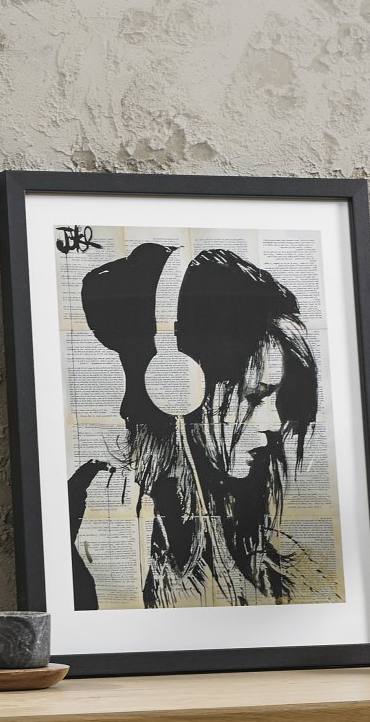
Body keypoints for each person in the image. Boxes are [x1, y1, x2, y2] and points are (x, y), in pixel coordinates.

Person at [68, 242, 332, 610]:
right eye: (256, 397)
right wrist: (117, 592)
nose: (275, 424)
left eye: (279, 400)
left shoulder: (258, 545)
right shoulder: (84, 518)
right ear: (176, 387)